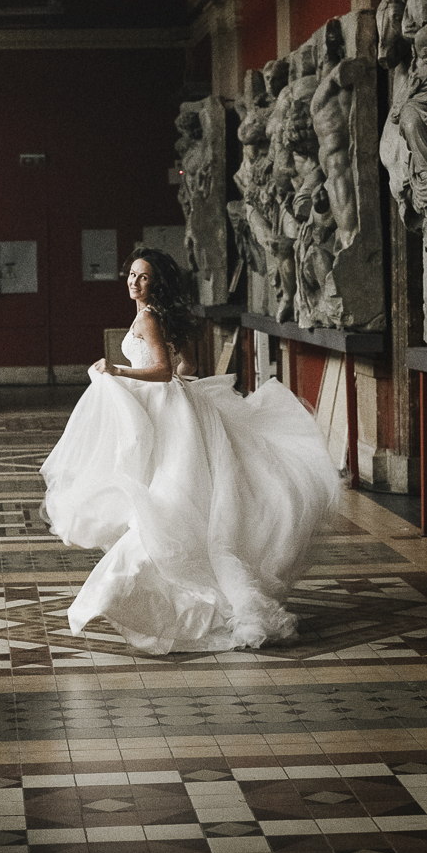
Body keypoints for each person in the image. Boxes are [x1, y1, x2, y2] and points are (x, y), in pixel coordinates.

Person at [41, 246, 340, 655]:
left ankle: (167, 599)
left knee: (169, 499)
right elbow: (181, 366)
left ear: (155, 283)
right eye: (131, 274)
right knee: (175, 498)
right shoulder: (151, 315)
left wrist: (117, 370)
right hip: (173, 408)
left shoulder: (147, 317)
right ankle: (170, 595)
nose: (134, 282)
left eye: (143, 277)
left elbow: (163, 371)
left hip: (171, 408)